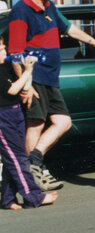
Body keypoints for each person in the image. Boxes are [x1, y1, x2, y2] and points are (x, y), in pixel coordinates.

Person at [8, 0, 95, 191]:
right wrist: (25, 84)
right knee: (36, 123)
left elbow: (69, 29)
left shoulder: (49, 6)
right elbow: (15, 52)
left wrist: (94, 41)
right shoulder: (21, 12)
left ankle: (34, 160)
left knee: (63, 122)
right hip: (35, 78)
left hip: (50, 79)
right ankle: (32, 174)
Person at [0, 39, 56, 209]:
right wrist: (28, 70)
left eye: (4, 48)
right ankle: (33, 196)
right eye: (0, 49)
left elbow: (22, 84)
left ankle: (8, 199)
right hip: (3, 117)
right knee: (18, 158)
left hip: (15, 112)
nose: (4, 52)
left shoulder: (5, 67)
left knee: (14, 158)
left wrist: (25, 68)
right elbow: (12, 90)